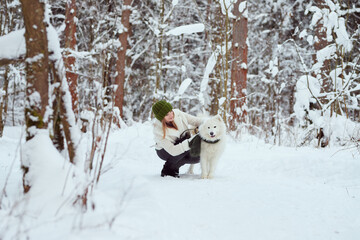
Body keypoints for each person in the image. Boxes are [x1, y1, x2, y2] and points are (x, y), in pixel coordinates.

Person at [152, 100, 203, 178]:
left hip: (183, 144)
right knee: (181, 150)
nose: (171, 115)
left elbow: (195, 121)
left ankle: (173, 167)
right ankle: (168, 169)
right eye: (167, 114)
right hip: (164, 151)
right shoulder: (158, 131)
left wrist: (209, 123)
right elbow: (173, 150)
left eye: (171, 111)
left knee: (198, 156)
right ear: (161, 117)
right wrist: (190, 143)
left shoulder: (178, 113)